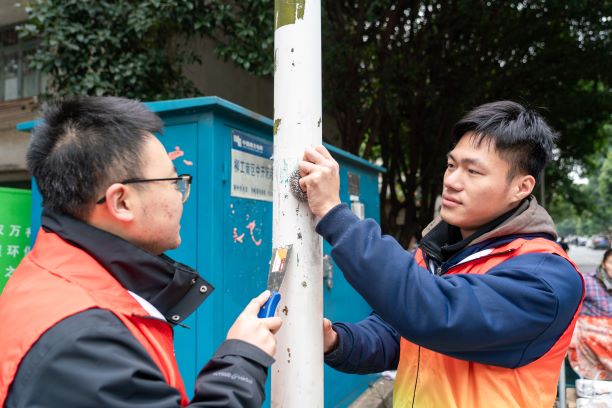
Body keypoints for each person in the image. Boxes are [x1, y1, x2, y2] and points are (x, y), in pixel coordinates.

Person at [298, 101, 585, 407]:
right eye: (451, 165)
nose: (452, 181)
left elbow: (436, 312)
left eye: (473, 171)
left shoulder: (546, 279)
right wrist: (337, 341)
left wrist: (333, 213)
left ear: (521, 187)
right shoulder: (437, 252)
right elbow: (396, 335)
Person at [0, 97, 281, 407]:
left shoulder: (48, 274)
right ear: (121, 202)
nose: (181, 196)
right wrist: (242, 360)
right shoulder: (84, 340)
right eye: (173, 181)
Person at [568, 249, 612, 380]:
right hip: (593, 333)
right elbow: (570, 306)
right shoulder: (588, 281)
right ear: (604, 263)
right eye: (611, 263)